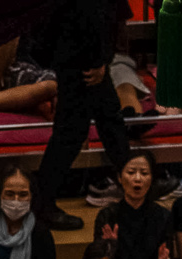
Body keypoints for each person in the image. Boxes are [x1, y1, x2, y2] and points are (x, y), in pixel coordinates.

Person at [31, 0, 129, 229]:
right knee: (74, 132)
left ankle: (135, 179)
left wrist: (103, 59)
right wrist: (99, 60)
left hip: (79, 54)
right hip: (78, 57)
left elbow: (110, 16)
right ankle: (43, 202)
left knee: (109, 121)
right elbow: (92, 15)